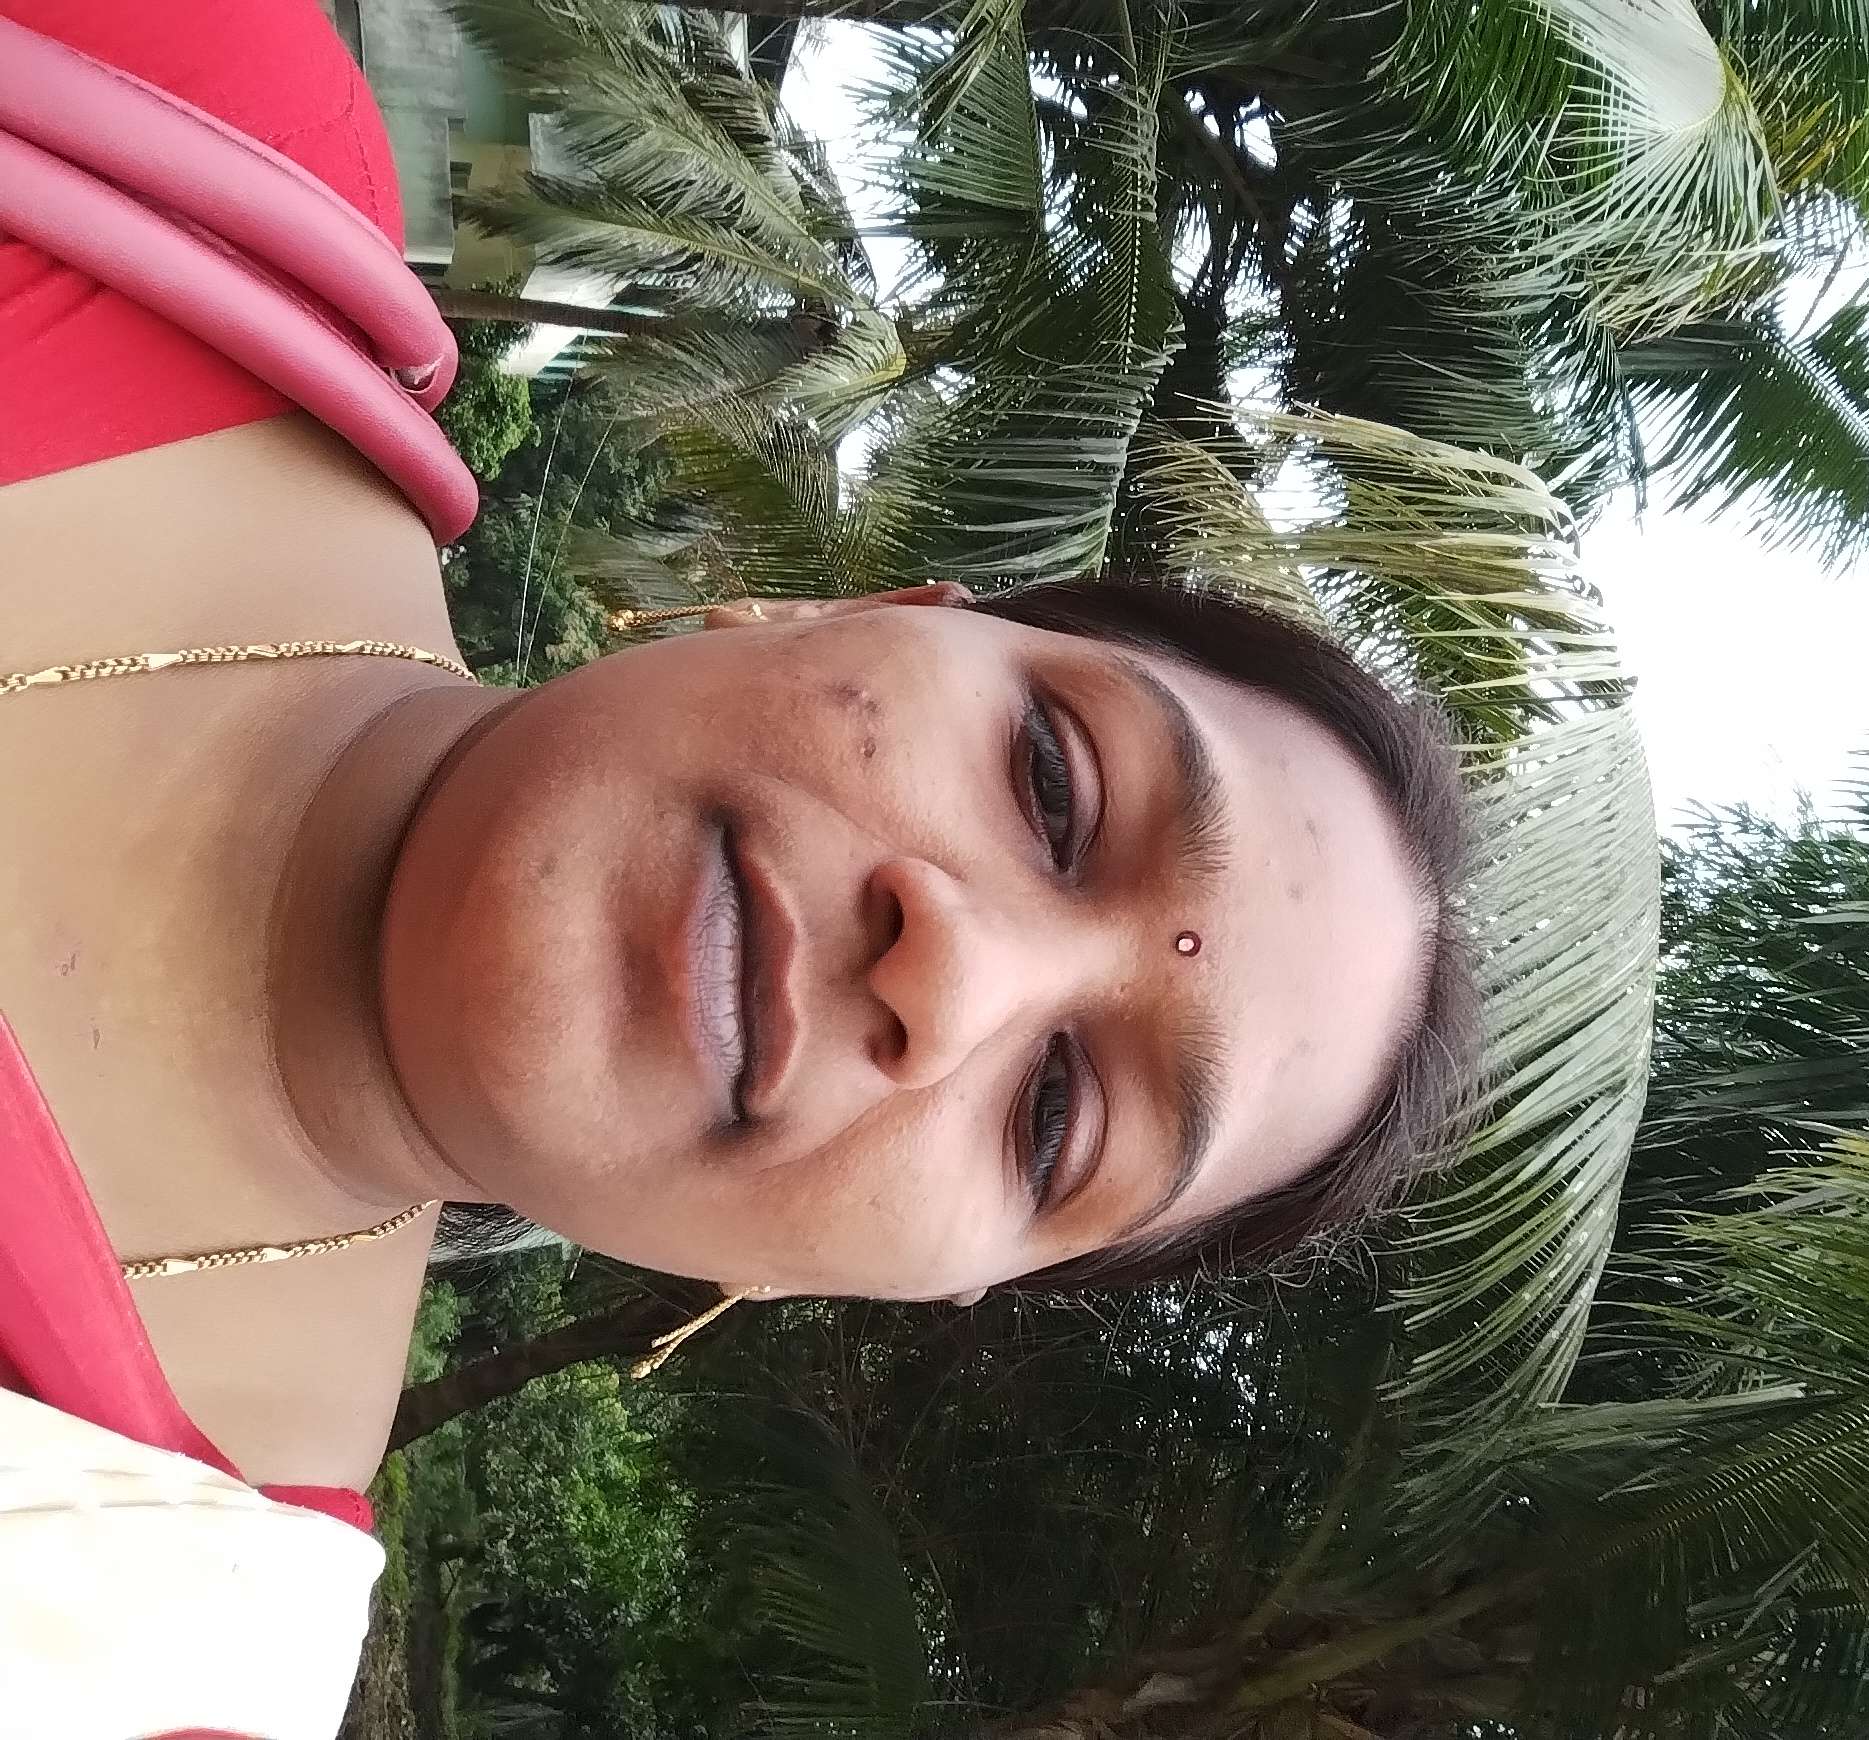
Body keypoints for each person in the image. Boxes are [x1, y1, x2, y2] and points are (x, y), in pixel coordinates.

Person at [0, 2, 1477, 1733]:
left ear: (852, 1286)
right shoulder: (174, 141)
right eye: (1052, 784)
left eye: (1053, 1118)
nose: (955, 976)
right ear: (867, 607)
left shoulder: (139, 1646)